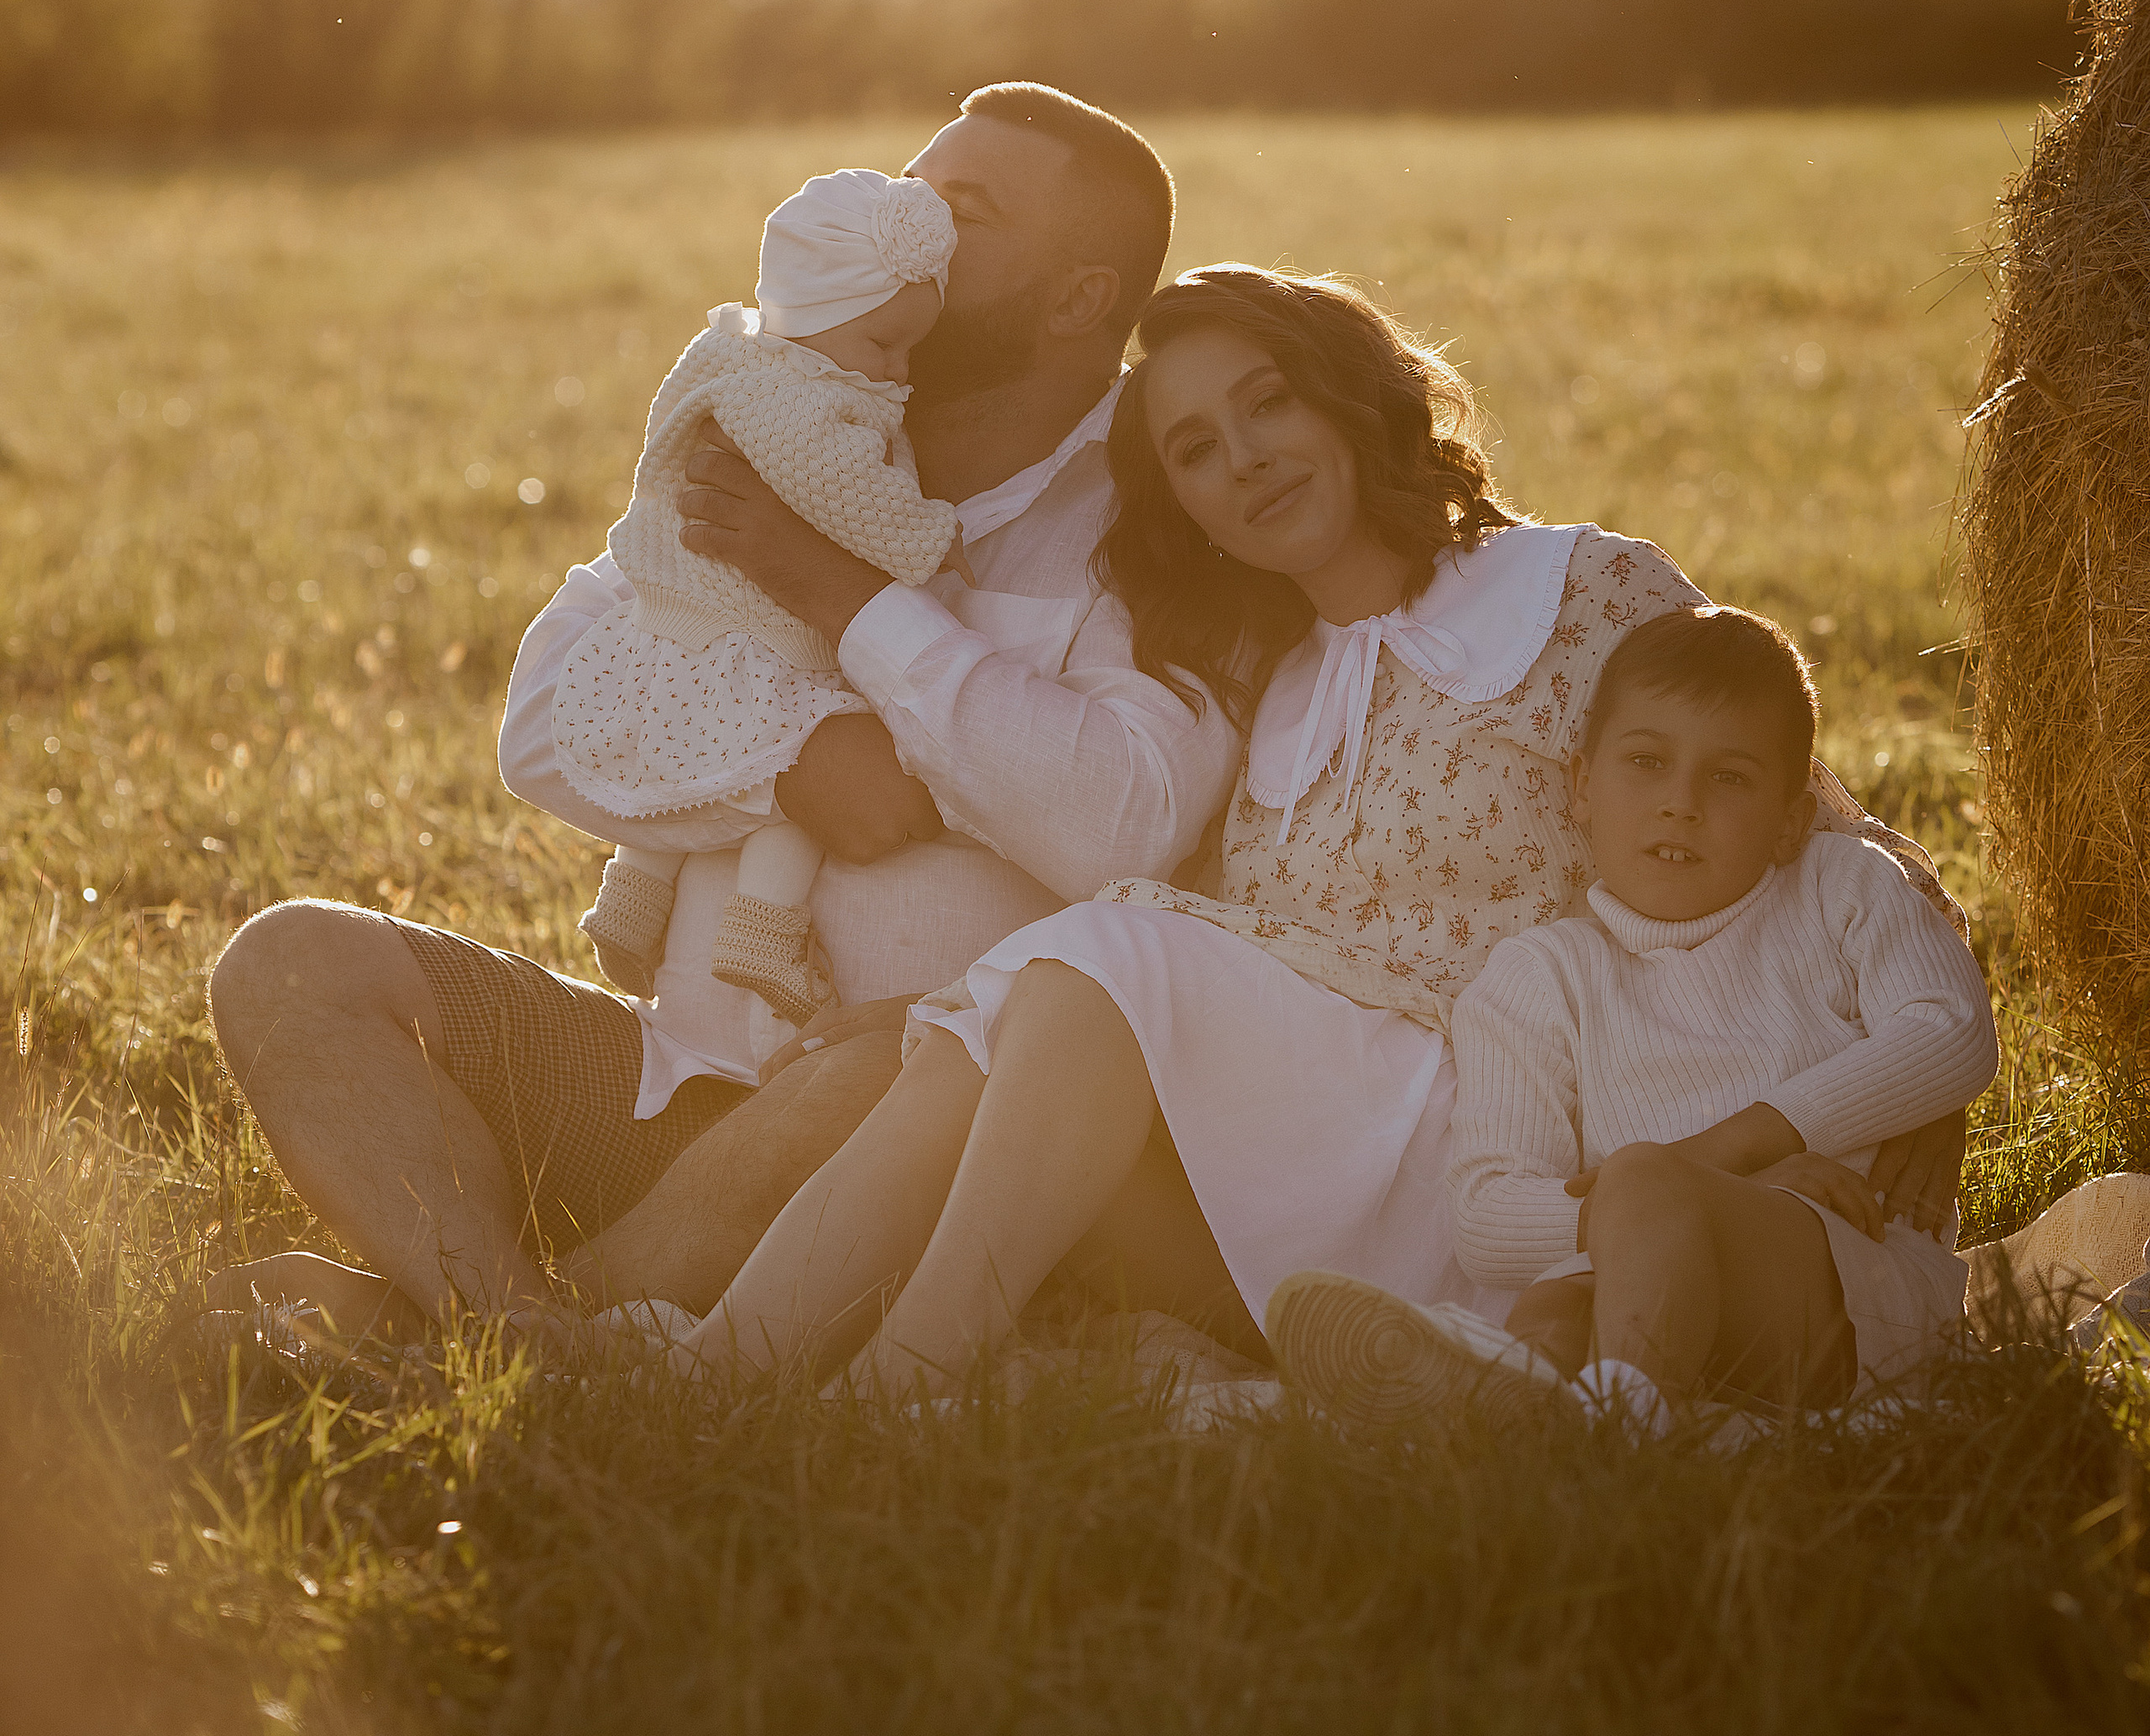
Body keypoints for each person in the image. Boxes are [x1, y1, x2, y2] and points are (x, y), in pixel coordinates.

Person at [684, 270, 1968, 1397]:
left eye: (1269, 402)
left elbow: (1811, 812)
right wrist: (961, 997)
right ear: (1182, 504)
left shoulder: (1582, 590)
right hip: (1334, 1156)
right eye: (1193, 449)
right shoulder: (1267, 693)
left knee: (1101, 962)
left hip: (1528, 1153)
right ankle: (728, 1362)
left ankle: (909, 1380)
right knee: (1016, 1014)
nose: (1242, 458)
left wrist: (1899, 1104)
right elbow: (1205, 961)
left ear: (1349, 397)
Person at [205, 84, 1235, 1352]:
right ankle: (520, 1328)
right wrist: (793, 761)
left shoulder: (1165, 513)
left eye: (962, 210)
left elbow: (1119, 822)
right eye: (908, 183)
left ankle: (482, 1337)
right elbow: (543, 717)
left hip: (896, 1119)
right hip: (658, 1080)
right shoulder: (771, 409)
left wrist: (844, 600)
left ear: (1080, 298)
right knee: (291, 960)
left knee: (905, 1062)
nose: (904, 218)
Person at [1264, 605, 1999, 1437]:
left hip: (1849, 1285)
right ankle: (1521, 1406)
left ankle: (1618, 1435)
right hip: (1636, 1282)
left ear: (1792, 816)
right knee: (1555, 1309)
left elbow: (1952, 1032)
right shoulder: (1541, 976)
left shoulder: (1840, 887)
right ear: (1581, 785)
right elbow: (1485, 1214)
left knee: (1641, 1179)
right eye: (1646, 762)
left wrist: (1725, 1157)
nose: (1679, 804)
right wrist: (1664, 1213)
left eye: (1728, 777)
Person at [563, 166, 962, 1025]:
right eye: (884, 346)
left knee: (677, 754)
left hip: (670, 622)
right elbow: (847, 493)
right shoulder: (801, 402)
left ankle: (631, 900)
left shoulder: (727, 352)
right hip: (753, 636)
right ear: (818, 322)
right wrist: (931, 538)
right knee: (794, 765)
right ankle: (763, 932)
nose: (899, 372)